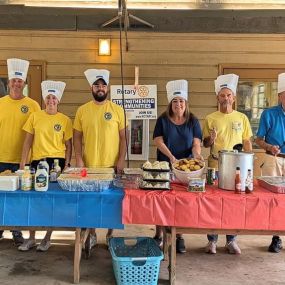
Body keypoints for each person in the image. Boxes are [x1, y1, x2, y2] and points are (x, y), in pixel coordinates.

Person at [73, 69, 128, 256]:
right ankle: (92, 233)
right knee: (90, 203)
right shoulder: (82, 110)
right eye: (97, 85)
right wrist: (78, 158)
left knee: (113, 203)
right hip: (89, 166)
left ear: (108, 87)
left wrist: (121, 159)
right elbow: (77, 138)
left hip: (112, 166)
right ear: (91, 87)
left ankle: (111, 234)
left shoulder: (118, 110)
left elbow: (124, 138)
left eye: (103, 85)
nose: (100, 88)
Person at [18, 80, 72, 252]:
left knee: (52, 200)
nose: (50, 101)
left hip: (57, 163)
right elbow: (27, 142)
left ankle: (47, 238)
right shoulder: (34, 116)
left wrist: (67, 166)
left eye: (54, 98)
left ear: (58, 101)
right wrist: (22, 163)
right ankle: (31, 238)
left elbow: (69, 145)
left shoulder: (64, 120)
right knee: (32, 200)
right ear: (44, 100)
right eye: (48, 98)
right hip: (37, 161)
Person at [203, 74, 253, 255]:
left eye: (228, 95)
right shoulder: (210, 118)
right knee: (213, 203)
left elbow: (247, 142)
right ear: (218, 97)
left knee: (234, 204)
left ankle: (231, 240)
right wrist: (212, 138)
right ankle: (212, 240)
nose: (225, 98)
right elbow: (205, 144)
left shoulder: (242, 118)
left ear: (233, 98)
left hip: (237, 168)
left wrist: (249, 166)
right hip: (215, 165)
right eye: (222, 95)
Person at [153, 79, 203, 254]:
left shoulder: (193, 121)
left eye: (181, 101)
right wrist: (171, 157)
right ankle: (159, 234)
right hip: (165, 166)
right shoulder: (163, 120)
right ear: (170, 104)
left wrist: (197, 156)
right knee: (161, 200)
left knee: (181, 202)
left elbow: (196, 143)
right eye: (175, 101)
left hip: (185, 170)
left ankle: (179, 235)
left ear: (186, 103)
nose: (178, 104)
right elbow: (158, 141)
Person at [0, 58, 40, 245]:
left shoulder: (33, 105)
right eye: (14, 80)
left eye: (20, 81)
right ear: (9, 82)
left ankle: (16, 231)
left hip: (23, 160)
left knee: (18, 198)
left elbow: (36, 134)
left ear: (24, 83)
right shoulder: (1, 103)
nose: (17, 84)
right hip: (1, 157)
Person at [255, 72, 285, 253]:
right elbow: (258, 139)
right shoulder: (269, 113)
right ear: (280, 95)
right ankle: (276, 237)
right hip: (273, 159)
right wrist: (269, 146)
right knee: (274, 200)